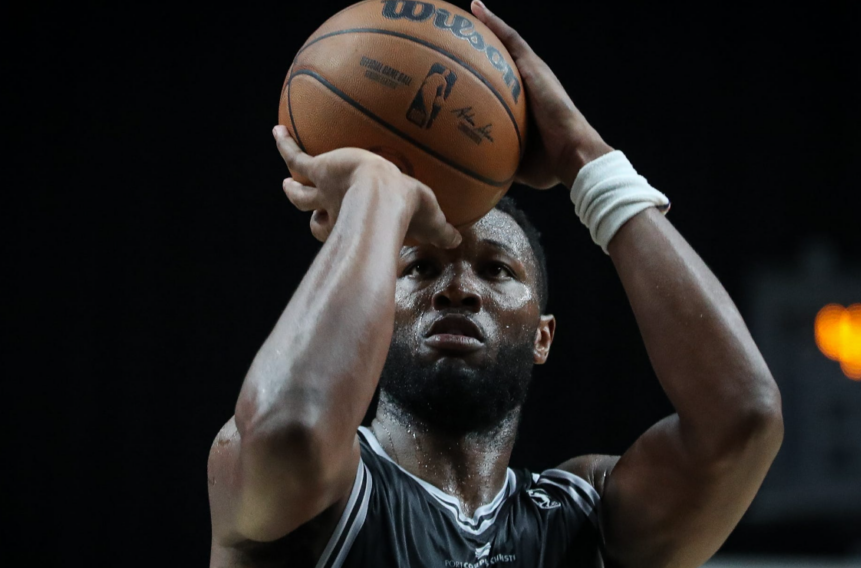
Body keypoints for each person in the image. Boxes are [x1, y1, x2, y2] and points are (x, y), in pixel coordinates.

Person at [207, 2, 784, 567]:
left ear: (543, 336)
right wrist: (376, 189)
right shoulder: (320, 498)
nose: (457, 289)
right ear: (374, 314)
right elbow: (290, 436)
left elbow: (742, 417)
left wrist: (586, 159)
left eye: (497, 269)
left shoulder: (581, 519)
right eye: (421, 268)